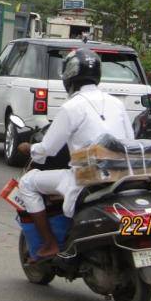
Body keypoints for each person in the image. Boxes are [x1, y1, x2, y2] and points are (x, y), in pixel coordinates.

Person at [17, 47, 134, 260]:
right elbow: (130, 140)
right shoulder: (117, 103)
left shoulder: (71, 107)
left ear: (69, 75)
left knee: (27, 183)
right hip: (122, 174)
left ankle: (51, 243)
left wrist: (30, 148)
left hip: (87, 178)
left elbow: (48, 149)